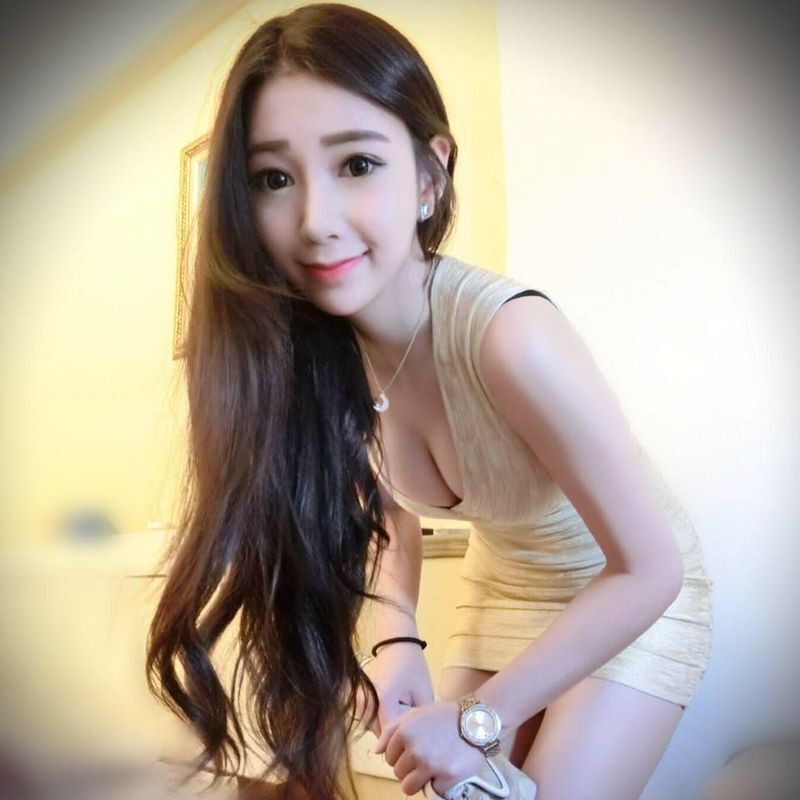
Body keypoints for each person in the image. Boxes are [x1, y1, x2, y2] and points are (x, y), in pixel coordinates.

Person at [146, 3, 714, 800]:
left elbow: (650, 569)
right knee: (461, 792)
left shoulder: (510, 338)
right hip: (503, 586)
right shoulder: (323, 354)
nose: (315, 222)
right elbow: (387, 511)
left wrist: (479, 717)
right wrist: (397, 638)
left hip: (630, 593)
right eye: (275, 179)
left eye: (357, 164)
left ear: (429, 175)